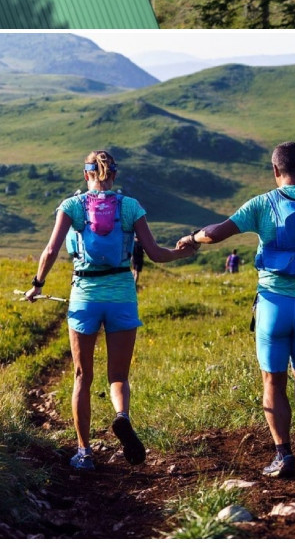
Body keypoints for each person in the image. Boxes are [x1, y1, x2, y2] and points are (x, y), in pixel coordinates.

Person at [177, 142, 295, 478]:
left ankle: (283, 456)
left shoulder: (262, 203)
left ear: (275, 171)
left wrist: (193, 237)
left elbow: (217, 233)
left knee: (272, 380)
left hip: (273, 305)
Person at [26, 150, 197, 470]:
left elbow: (50, 250)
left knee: (82, 376)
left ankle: (84, 452)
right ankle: (121, 416)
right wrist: (181, 253)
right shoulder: (130, 206)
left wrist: (37, 284)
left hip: (85, 296)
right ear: (114, 175)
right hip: (121, 295)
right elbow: (156, 254)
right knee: (118, 376)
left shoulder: (72, 206)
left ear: (85, 174)